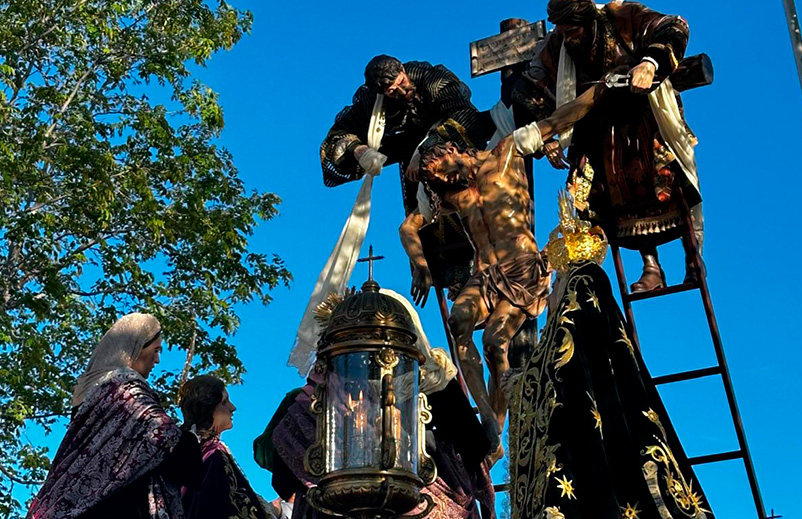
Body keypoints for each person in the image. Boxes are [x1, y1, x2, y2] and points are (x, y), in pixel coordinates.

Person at [398, 91, 602, 460]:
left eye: (443, 170)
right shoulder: (450, 192)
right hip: (486, 275)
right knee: (458, 321)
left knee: (494, 342)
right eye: (437, 179)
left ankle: (498, 422)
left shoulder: (507, 152)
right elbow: (408, 227)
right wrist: (421, 266)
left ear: (454, 150)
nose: (444, 179)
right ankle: (488, 420)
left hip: (523, 267)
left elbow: (560, 118)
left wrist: (603, 88)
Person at [507, 194, 713, 518]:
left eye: (556, 284)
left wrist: (519, 382)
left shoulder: (567, 334)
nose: (551, 295)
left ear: (570, 289)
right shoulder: (606, 347)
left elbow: (558, 386)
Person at [512, 0, 707, 292]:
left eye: (573, 31)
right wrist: (548, 139)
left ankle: (693, 257)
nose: (568, 38)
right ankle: (651, 267)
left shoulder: (621, 14)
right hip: (597, 131)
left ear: (588, 19)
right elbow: (528, 88)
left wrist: (649, 63)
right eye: (563, 31)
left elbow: (675, 25)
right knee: (608, 201)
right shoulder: (558, 45)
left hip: (644, 118)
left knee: (669, 182)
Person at [27, 313, 202, 519]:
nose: (157, 360)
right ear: (135, 347)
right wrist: (192, 435)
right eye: (155, 350)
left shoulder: (89, 392)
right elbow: (174, 449)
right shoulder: (126, 392)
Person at [321, 54, 494, 211]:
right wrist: (359, 150)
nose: (402, 91)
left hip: (453, 150)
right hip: (413, 159)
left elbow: (463, 114)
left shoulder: (433, 79)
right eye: (392, 91)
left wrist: (423, 150)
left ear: (402, 70)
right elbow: (337, 135)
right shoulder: (374, 103)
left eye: (401, 82)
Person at [180, 375, 274, 519]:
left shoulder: (194, 450)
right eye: (224, 402)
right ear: (208, 407)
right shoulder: (213, 455)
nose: (232, 407)